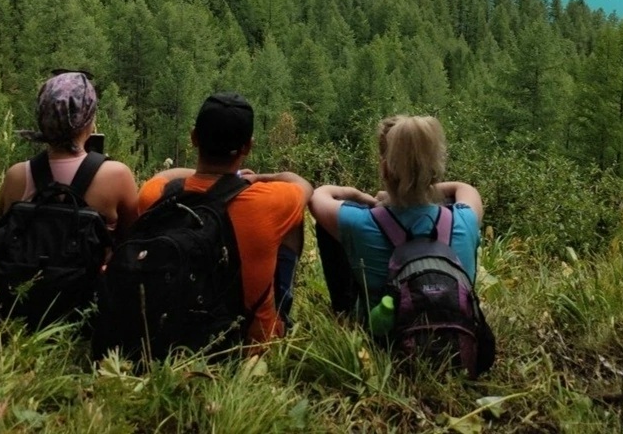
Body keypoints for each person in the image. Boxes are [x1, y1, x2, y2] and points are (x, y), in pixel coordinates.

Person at [137, 91, 313, 343]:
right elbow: (302, 184)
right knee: (293, 220)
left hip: (165, 336)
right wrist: (250, 178)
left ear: (194, 137)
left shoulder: (155, 195)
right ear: (247, 147)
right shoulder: (266, 202)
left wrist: (209, 176)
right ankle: (281, 307)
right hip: (246, 347)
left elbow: (165, 175)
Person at [309, 114, 483, 317]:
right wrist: (425, 185)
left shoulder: (360, 222)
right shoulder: (465, 219)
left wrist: (360, 196)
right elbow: (463, 188)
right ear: (435, 170)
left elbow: (318, 196)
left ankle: (344, 312)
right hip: (460, 331)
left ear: (385, 169)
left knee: (328, 226)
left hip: (385, 333)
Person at [0, 69, 139, 242]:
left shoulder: (16, 176)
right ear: (89, 120)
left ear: (42, 118)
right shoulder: (117, 176)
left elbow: (1, 231)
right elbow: (133, 240)